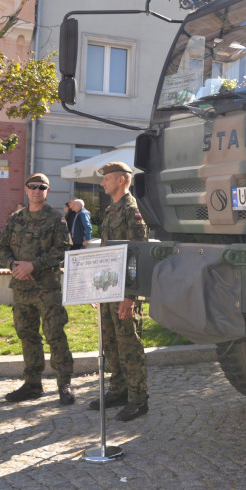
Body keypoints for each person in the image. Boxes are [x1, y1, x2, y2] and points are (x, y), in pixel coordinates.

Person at [0, 173, 76, 405]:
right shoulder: (15, 219)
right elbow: (1, 248)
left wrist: (33, 265)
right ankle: (32, 384)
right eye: (33, 186)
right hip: (21, 288)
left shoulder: (55, 219)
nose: (37, 190)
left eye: (42, 187)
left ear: (47, 191)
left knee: (55, 334)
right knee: (27, 335)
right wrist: (13, 265)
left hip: (47, 289)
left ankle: (64, 384)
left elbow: (62, 249)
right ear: (26, 189)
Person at [89, 161, 149, 422]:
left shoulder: (132, 210)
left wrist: (130, 297)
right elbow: (107, 254)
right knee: (111, 344)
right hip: (109, 290)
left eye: (107, 179)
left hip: (124, 292)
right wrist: (98, 289)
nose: (103, 184)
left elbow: (137, 255)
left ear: (122, 180)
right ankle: (119, 390)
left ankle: (138, 399)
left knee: (129, 345)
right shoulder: (112, 210)